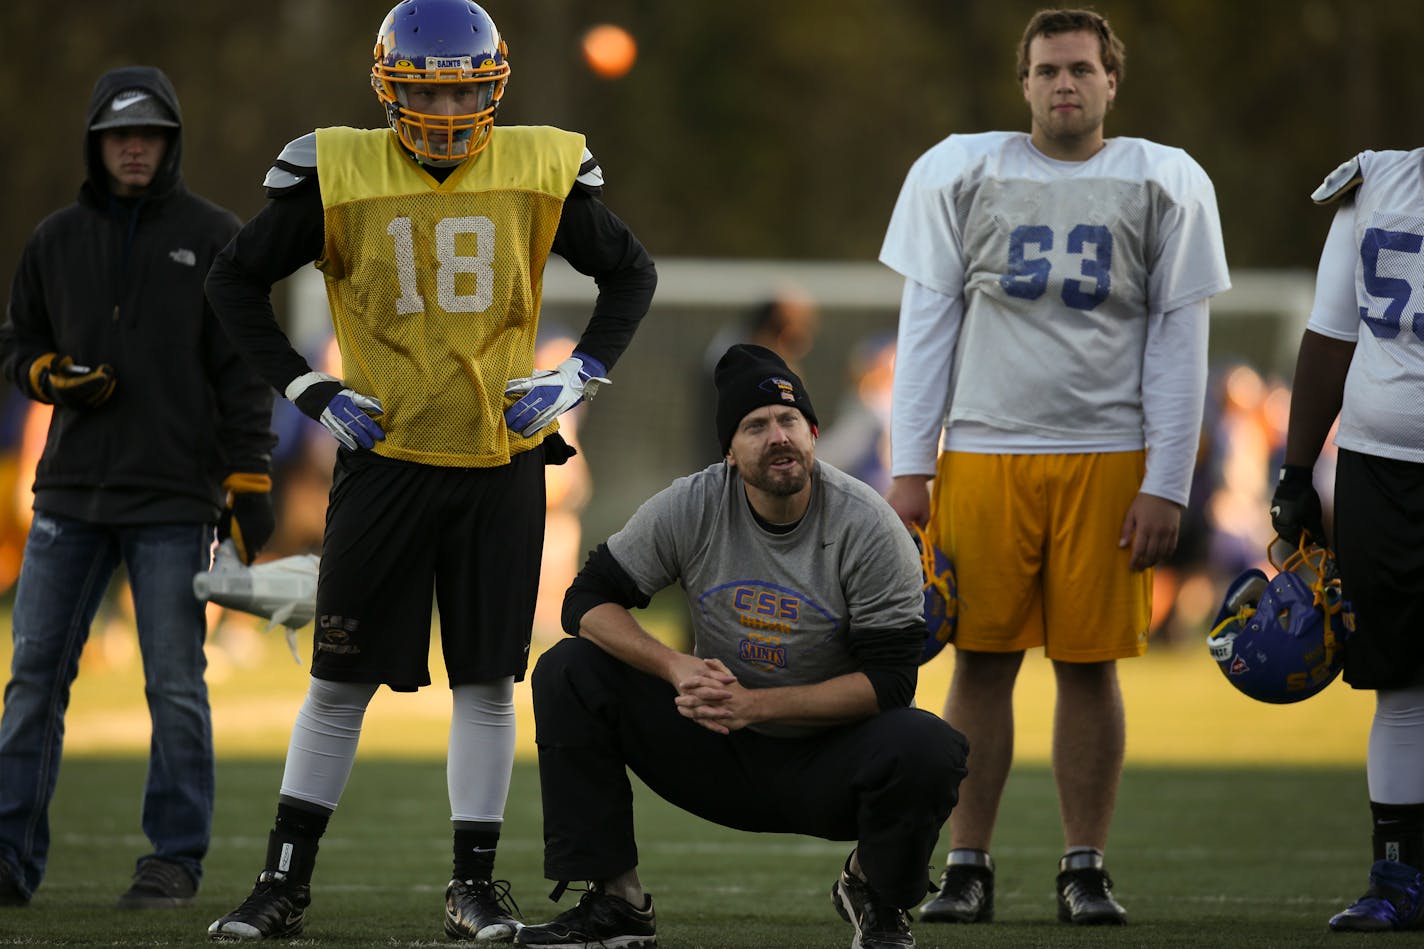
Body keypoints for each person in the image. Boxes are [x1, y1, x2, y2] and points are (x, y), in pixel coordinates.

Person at [202, 0, 656, 941]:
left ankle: (473, 888)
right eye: (426, 87)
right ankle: (281, 882)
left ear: (491, 88)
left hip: (500, 462)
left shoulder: (540, 164)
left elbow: (632, 273)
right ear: (390, 89)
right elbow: (231, 280)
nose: (447, 107)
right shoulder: (336, 167)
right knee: (338, 680)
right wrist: (309, 388)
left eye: (462, 86)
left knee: (489, 681)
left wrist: (576, 376)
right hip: (385, 461)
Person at [879, 8, 1229, 926]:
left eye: (1081, 68)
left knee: (1089, 666)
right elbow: (927, 329)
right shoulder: (964, 169)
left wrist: (1168, 478)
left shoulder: (1165, 180)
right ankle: (966, 863)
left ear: (1113, 81)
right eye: (1047, 70)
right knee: (981, 662)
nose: (1064, 84)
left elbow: (1179, 340)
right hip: (986, 451)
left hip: (1110, 455)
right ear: (1024, 83)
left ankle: (1084, 864)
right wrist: (910, 464)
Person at [514, 344, 968, 949]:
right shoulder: (695, 502)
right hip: (711, 744)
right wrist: (674, 667)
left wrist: (757, 706)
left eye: (789, 422)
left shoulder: (870, 524)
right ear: (729, 451)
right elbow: (585, 601)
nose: (777, 437)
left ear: (813, 432)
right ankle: (616, 905)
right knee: (569, 669)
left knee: (928, 745)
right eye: (755, 426)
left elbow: (891, 683)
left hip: (825, 762)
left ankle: (875, 894)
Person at [0, 67, 277, 909]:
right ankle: (8, 856)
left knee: (174, 686)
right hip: (70, 497)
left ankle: (173, 862)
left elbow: (244, 370)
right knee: (33, 681)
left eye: (150, 134)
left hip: (172, 502)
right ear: (96, 142)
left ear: (170, 143)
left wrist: (249, 477)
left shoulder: (216, 235)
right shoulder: (53, 239)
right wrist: (48, 375)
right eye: (120, 134)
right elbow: (18, 344)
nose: (134, 147)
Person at [1269, 147, 1424, 933]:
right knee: (1399, 679)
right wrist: (1297, 471)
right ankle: (1396, 876)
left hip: (1385, 468)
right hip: (1382, 467)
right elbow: (1331, 336)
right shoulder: (1379, 181)